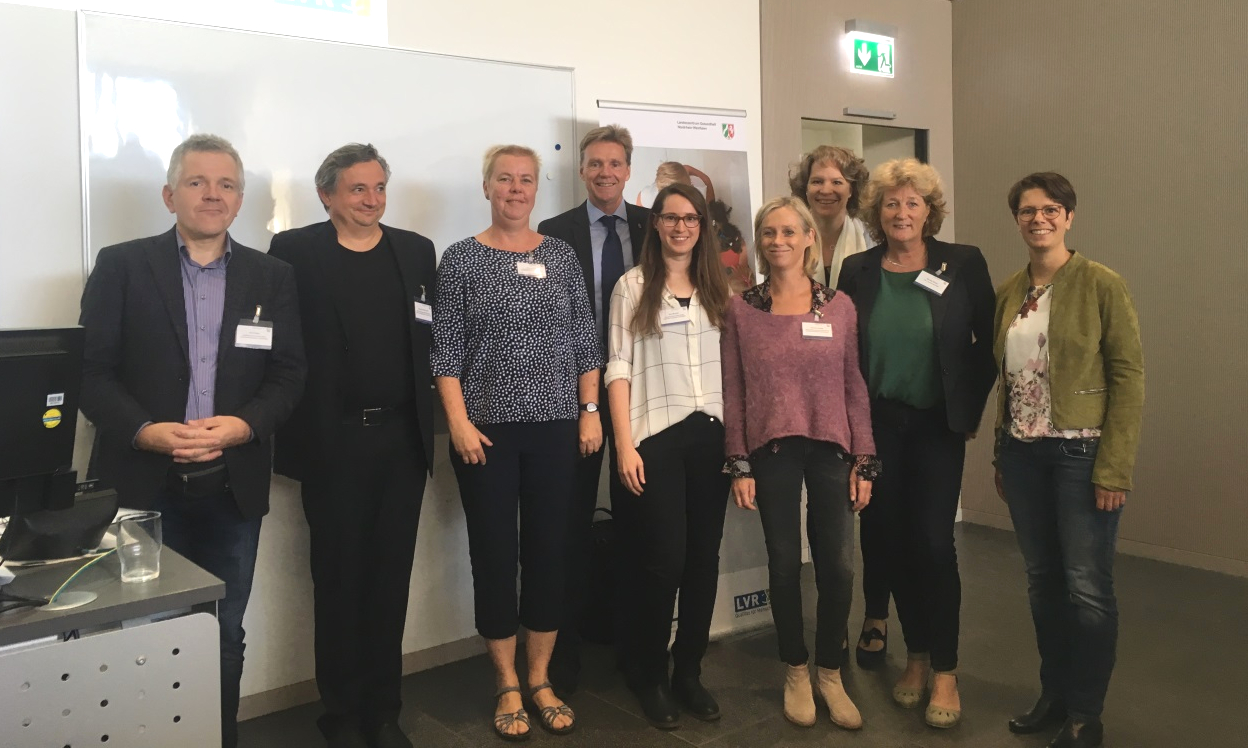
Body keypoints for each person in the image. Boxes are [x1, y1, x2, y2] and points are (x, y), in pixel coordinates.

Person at [79, 134, 306, 748]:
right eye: (198, 182)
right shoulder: (122, 265)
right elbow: (88, 372)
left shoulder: (272, 275)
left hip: (230, 489)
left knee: (221, 631)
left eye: (227, 184)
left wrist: (245, 425)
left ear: (240, 199)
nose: (213, 194)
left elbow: (289, 374)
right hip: (139, 487)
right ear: (169, 193)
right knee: (137, 631)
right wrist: (143, 431)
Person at [269, 143, 437, 748]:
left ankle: (384, 711)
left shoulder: (416, 252)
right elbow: (277, 345)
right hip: (331, 442)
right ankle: (339, 714)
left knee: (390, 581)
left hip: (401, 443)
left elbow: (430, 344)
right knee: (337, 580)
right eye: (358, 190)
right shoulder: (293, 254)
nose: (371, 200)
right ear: (327, 195)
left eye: (379, 188)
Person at [432, 145, 602, 741]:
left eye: (526, 180)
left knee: (551, 553)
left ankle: (540, 678)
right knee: (495, 556)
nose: (515, 189)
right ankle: (505, 681)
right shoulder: (459, 260)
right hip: (487, 436)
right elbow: (446, 352)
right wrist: (456, 421)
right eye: (504, 179)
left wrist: (589, 411)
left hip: (558, 429)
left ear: (537, 189)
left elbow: (586, 341)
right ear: (486, 187)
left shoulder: (560, 256)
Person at [837, 158, 996, 729]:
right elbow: (842, 353)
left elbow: (987, 343)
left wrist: (969, 410)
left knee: (933, 543)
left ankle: (947, 670)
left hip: (935, 427)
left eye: (913, 203)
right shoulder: (856, 270)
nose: (902, 213)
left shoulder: (963, 262)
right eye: (891, 204)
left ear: (930, 211)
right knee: (890, 538)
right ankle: (917, 657)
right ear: (876, 213)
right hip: (876, 426)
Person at [994, 172, 1143, 748]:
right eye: (1027, 210)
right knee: (1042, 583)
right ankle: (1053, 696)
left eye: (1050, 209)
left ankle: (1086, 713)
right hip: (1025, 454)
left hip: (1083, 454)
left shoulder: (1102, 284)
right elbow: (1005, 380)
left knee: (1086, 586)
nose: (1038, 219)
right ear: (1018, 220)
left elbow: (1129, 376)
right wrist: (1000, 456)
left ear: (1069, 217)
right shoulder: (1012, 291)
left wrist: (1115, 467)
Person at [721, 196, 878, 731]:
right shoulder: (743, 310)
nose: (779, 241)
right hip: (773, 450)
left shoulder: (838, 307)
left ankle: (830, 671)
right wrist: (738, 463)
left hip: (833, 448)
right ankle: (795, 668)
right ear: (760, 241)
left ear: (809, 237)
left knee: (838, 565)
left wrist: (865, 459)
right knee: (785, 564)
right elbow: (734, 392)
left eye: (790, 231)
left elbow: (854, 385)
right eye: (769, 233)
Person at [606, 183, 733, 730]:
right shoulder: (632, 287)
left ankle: (689, 672)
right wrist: (624, 445)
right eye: (670, 218)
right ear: (655, 224)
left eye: (690, 218)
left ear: (702, 227)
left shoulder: (719, 289)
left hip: (712, 439)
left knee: (704, 561)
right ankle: (649, 674)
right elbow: (617, 366)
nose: (681, 227)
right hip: (655, 436)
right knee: (664, 561)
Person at [537, 125, 648, 696]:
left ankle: (634, 649)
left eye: (615, 163)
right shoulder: (552, 234)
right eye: (595, 164)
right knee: (569, 523)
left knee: (638, 522)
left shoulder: (655, 227)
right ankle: (566, 654)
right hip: (571, 392)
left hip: (642, 391)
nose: (605, 172)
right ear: (582, 171)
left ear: (630, 170)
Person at [789, 145, 873, 290]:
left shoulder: (870, 237)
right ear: (806, 188)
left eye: (837, 182)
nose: (826, 190)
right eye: (817, 181)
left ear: (851, 190)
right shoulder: (788, 236)